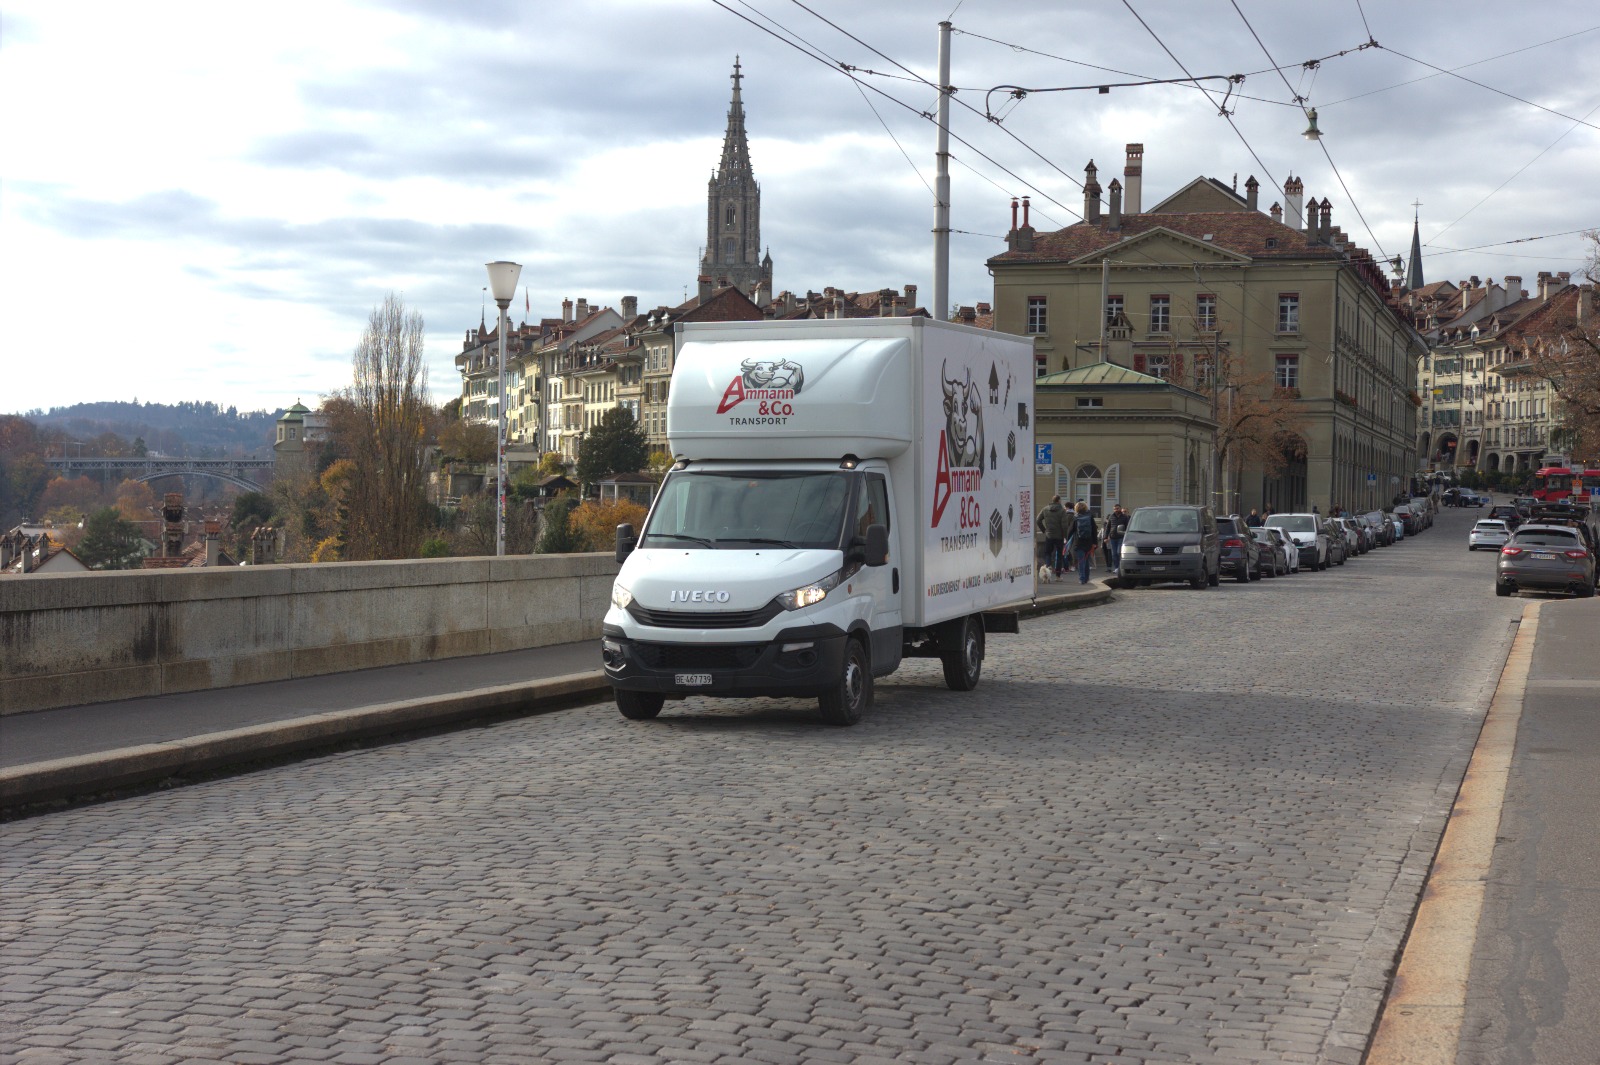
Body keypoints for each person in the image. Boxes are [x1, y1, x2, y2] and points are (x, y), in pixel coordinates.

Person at [1035, 494, 1070, 576]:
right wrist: (1065, 536)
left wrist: (1044, 530)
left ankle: (1048, 567)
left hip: (1049, 535)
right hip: (1059, 536)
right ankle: (1058, 575)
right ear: (1059, 501)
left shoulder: (1045, 509)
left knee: (1048, 553)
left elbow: (1038, 520)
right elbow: (1064, 526)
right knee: (1059, 554)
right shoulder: (1062, 511)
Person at [1071, 501, 1099, 584]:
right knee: (1086, 560)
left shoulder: (1075, 517)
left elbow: (1071, 530)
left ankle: (1082, 578)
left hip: (1079, 542)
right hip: (1089, 541)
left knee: (1081, 560)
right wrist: (1095, 542)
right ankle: (1086, 578)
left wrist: (1067, 539)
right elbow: (1094, 530)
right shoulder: (1090, 517)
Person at [1105, 504, 1130, 576]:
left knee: (1119, 552)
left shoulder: (1125, 517)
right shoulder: (1111, 517)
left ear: (1120, 509)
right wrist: (1105, 537)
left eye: (1117, 509)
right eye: (1115, 509)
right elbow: (1108, 527)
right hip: (1113, 537)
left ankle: (1120, 567)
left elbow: (1128, 527)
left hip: (1121, 537)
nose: (1116, 510)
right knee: (1114, 554)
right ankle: (1116, 567)